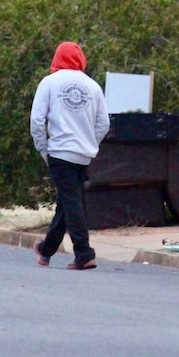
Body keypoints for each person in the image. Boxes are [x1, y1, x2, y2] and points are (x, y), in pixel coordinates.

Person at [30, 41, 110, 270]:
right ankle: (46, 250)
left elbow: (36, 121)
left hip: (59, 151)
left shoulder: (49, 83)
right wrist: (90, 143)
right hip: (83, 155)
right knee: (67, 201)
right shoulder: (93, 86)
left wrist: (43, 149)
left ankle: (84, 253)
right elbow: (103, 123)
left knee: (71, 201)